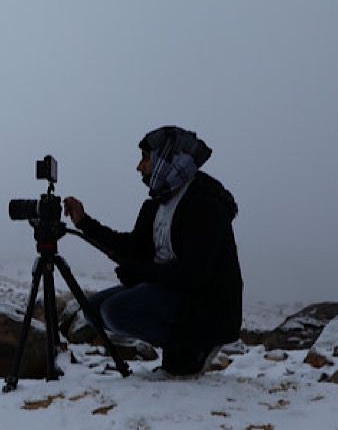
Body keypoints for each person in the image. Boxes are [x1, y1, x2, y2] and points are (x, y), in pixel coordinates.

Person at [63, 125, 242, 377]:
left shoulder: (203, 204)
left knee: (115, 312)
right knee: (92, 309)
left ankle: (194, 346)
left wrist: (140, 272)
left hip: (205, 303)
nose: (140, 167)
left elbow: (195, 273)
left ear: (167, 159)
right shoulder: (157, 204)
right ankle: (179, 349)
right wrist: (84, 222)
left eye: (145, 159)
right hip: (168, 291)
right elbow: (131, 248)